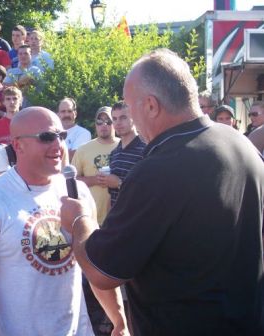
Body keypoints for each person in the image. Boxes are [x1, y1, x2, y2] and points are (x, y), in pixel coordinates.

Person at [60, 48, 264, 336]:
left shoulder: (158, 169)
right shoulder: (240, 144)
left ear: (152, 106)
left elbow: (103, 271)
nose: (128, 120)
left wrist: (79, 220)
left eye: (130, 108)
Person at [0, 106, 127, 336]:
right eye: (46, 137)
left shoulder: (77, 191)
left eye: (61, 136)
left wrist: (119, 319)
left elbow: (93, 261)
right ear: (18, 145)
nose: (58, 145)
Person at [72, 106, 119, 225]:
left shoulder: (124, 146)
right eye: (99, 121)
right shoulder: (83, 149)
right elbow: (71, 182)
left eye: (108, 121)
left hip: (120, 217)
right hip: (91, 218)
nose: (104, 125)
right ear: (95, 124)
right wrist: (93, 180)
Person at [103, 101, 145, 208]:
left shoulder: (146, 148)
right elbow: (111, 196)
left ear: (134, 118)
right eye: (115, 119)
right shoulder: (114, 153)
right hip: (116, 220)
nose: (118, 123)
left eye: (123, 117)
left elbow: (151, 190)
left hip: (138, 218)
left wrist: (118, 183)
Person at [0, 86, 22, 151]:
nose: (12, 102)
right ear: (3, 102)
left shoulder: (28, 123)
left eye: (15, 99)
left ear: (20, 101)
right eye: (8, 99)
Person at [57, 97, 91, 161]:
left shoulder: (83, 133)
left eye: (70, 111)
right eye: (63, 111)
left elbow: (74, 157)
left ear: (75, 114)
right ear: (58, 114)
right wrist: (67, 152)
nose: (66, 115)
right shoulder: (52, 133)